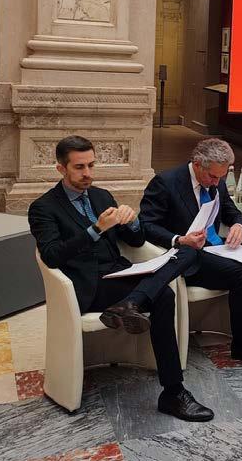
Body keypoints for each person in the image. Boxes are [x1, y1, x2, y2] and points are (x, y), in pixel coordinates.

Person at [29, 136, 213, 422]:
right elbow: (52, 256)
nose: (87, 173)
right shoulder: (44, 207)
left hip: (120, 272)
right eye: (79, 167)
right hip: (88, 285)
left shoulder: (102, 196)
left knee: (187, 251)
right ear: (61, 169)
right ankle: (173, 391)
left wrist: (133, 221)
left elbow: (136, 241)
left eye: (91, 165)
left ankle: (132, 304)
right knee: (164, 295)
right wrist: (95, 229)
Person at [138, 138, 242, 377]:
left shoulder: (216, 182)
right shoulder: (166, 182)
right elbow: (146, 225)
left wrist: (239, 226)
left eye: (220, 177)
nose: (217, 182)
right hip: (188, 257)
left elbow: (234, 213)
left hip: (216, 249)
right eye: (213, 176)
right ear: (197, 164)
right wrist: (179, 239)